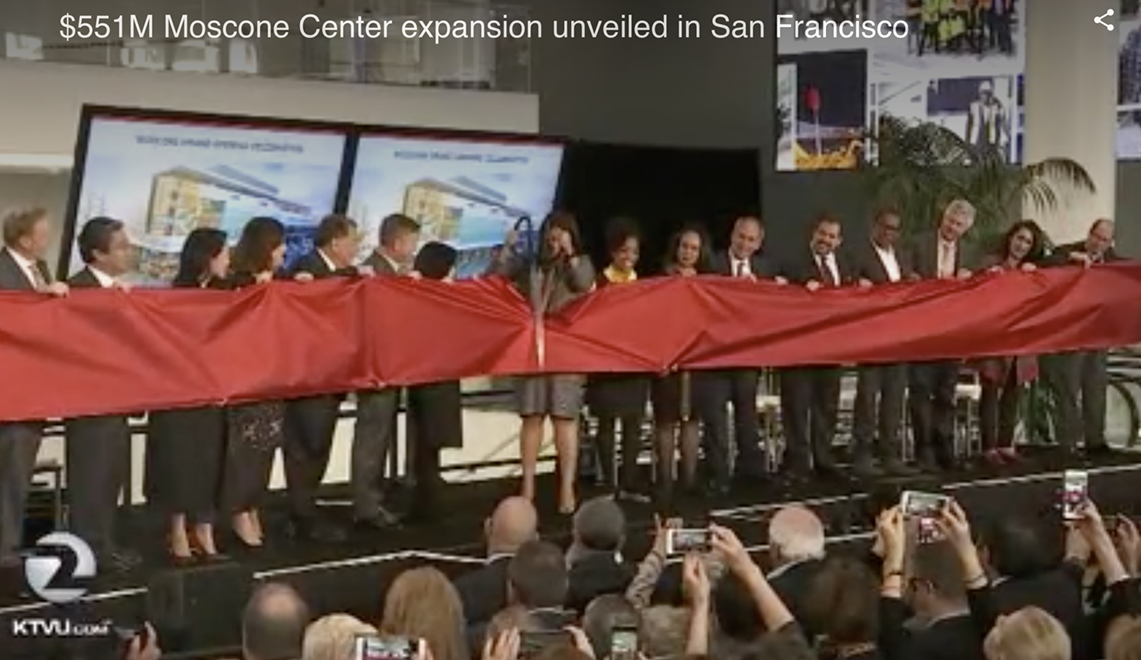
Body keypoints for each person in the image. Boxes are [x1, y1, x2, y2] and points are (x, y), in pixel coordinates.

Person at [492, 212, 594, 515]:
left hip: (566, 352)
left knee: (564, 419)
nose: (555, 236)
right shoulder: (530, 264)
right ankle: (527, 486)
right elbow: (496, 277)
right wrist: (508, 248)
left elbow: (583, 283)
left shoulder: (581, 262)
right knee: (532, 417)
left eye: (562, 231)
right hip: (532, 351)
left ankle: (566, 487)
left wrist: (570, 254)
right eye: (552, 230)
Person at [146, 228, 231, 562]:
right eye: (224, 253)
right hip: (178, 394)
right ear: (208, 256)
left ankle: (205, 531)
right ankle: (178, 530)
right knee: (179, 463)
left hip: (212, 393)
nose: (229, 260)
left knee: (209, 463)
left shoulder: (228, 293)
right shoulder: (175, 295)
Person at [63, 217, 140, 572]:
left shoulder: (119, 291)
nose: (129, 251)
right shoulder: (77, 290)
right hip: (90, 403)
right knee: (90, 478)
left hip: (117, 400)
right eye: (121, 246)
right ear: (97, 253)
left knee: (110, 478)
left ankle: (105, 544)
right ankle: (89, 552)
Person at [280, 214, 361, 542]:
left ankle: (306, 509)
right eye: (353, 240)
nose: (356, 248)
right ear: (336, 241)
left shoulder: (349, 274)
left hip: (333, 374)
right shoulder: (305, 269)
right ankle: (301, 516)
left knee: (319, 445)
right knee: (305, 447)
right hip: (308, 376)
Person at [0, 207, 68, 592]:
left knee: (16, 479)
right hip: (9, 398)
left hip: (30, 395)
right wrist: (36, 300)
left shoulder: (38, 267)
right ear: (24, 238)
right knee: (8, 478)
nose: (48, 237)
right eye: (43, 232)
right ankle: (6, 562)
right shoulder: (3, 271)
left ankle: (7, 554)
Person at [222, 217, 294, 549]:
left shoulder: (281, 280)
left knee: (268, 447)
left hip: (272, 376)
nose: (284, 251)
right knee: (246, 450)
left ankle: (253, 505)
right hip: (245, 380)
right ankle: (238, 509)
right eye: (279, 244)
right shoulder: (235, 282)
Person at [766, 215, 853, 481]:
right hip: (799, 351)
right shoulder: (790, 264)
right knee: (796, 408)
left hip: (832, 350)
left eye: (831, 236)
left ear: (839, 241)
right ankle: (798, 463)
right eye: (822, 233)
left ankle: (824, 460)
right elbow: (777, 299)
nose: (826, 239)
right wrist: (799, 289)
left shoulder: (846, 266)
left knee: (827, 407)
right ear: (812, 234)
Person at [353, 212, 421, 530]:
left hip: (391, 366)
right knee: (372, 434)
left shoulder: (395, 273)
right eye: (412, 242)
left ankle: (372, 499)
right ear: (398, 242)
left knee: (378, 434)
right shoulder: (371, 272)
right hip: (376, 367)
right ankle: (366, 505)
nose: (414, 249)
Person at [696, 215, 769, 494]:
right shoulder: (711, 264)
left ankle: (750, 473)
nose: (744, 244)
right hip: (714, 357)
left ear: (759, 243)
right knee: (715, 420)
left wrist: (760, 291)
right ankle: (718, 476)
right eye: (741, 237)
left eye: (751, 240)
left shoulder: (764, 268)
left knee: (747, 417)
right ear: (732, 235)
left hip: (748, 356)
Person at [1039, 218, 1123, 459]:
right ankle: (1069, 444)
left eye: (1104, 240)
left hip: (1098, 336)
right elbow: (1045, 265)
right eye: (1096, 236)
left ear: (1110, 243)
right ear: (1089, 234)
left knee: (1095, 389)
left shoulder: (1114, 262)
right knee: (1067, 390)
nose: (1098, 243)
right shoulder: (1066, 252)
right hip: (1070, 335)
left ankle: (1096, 441)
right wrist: (1072, 260)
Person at [903, 199, 976, 472]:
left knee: (946, 395)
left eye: (958, 225)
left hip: (952, 335)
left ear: (965, 229)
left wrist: (971, 279)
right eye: (949, 221)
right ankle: (924, 451)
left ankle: (945, 449)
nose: (952, 227)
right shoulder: (919, 243)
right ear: (942, 217)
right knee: (921, 393)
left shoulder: (969, 252)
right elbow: (907, 279)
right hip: (922, 333)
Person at [971, 220, 1045, 467]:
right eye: (1019, 238)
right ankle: (989, 446)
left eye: (1027, 242)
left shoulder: (1032, 270)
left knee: (1013, 392)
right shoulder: (991, 264)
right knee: (990, 392)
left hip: (1021, 340)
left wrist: (1034, 277)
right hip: (994, 338)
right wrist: (987, 279)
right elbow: (972, 291)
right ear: (1010, 237)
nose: (1021, 245)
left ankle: (1006, 444)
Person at [585, 219, 649, 502]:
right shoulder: (597, 283)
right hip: (606, 366)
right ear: (613, 252)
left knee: (634, 428)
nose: (629, 258)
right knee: (607, 427)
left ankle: (630, 485)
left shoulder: (644, 285)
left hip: (635, 365)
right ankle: (608, 485)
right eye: (624, 251)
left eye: (634, 253)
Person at [850, 208, 914, 478]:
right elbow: (849, 289)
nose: (889, 233)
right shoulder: (859, 255)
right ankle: (862, 455)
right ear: (874, 226)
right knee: (867, 398)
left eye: (894, 229)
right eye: (885, 227)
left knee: (894, 399)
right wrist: (859, 285)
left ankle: (890, 454)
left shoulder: (903, 256)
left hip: (898, 339)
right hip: (872, 340)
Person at [650, 226, 709, 505]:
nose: (688, 252)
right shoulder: (661, 279)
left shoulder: (708, 283)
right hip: (666, 359)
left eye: (694, 248)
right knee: (665, 421)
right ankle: (664, 480)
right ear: (676, 247)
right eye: (684, 246)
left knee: (691, 420)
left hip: (696, 360)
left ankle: (690, 480)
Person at [404, 241, 462, 521]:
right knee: (428, 447)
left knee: (426, 447)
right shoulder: (443, 299)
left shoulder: (416, 294)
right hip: (437, 381)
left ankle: (425, 500)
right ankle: (426, 506)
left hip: (424, 380)